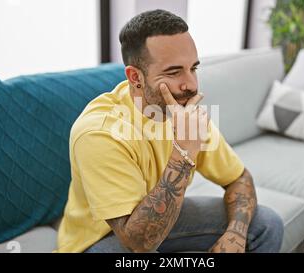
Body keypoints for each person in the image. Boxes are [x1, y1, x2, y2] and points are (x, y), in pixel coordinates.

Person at [56, 9, 283, 253]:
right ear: (135, 78)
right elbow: (138, 243)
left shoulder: (185, 113)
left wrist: (235, 234)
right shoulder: (100, 133)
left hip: (159, 217)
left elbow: (239, 177)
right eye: (174, 72)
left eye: (193, 68)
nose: (192, 85)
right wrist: (183, 153)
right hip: (104, 240)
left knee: (266, 224)